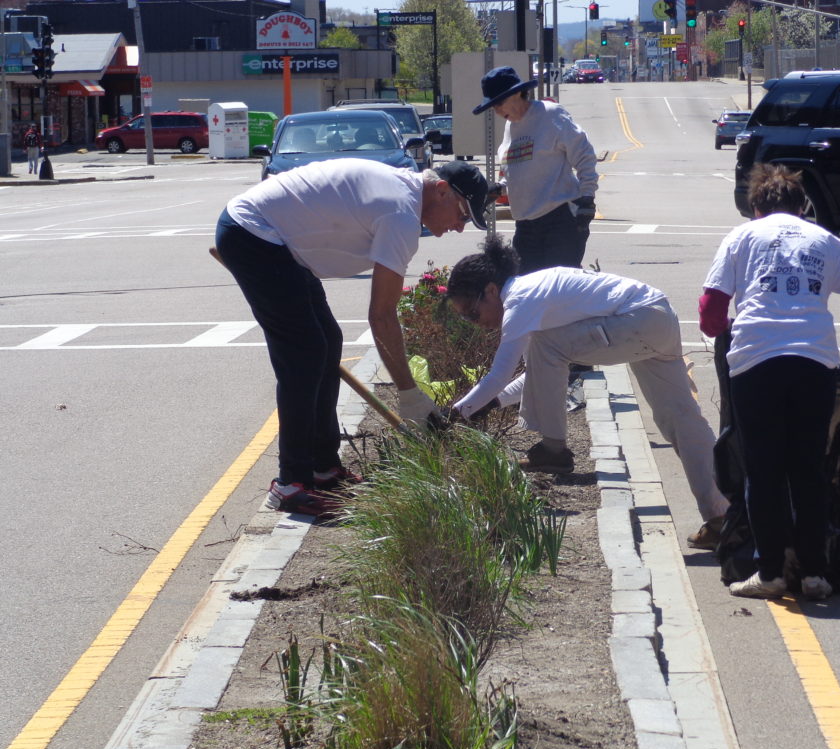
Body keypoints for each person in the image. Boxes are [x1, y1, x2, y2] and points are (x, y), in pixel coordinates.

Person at [215, 158, 492, 516]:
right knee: (304, 352)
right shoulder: (401, 215)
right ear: (441, 191)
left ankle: (323, 468)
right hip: (254, 233)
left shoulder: (404, 198)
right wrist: (409, 394)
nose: (459, 227)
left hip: (275, 240)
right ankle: (290, 483)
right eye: (462, 214)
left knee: (326, 341)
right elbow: (380, 315)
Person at [447, 235, 729, 527]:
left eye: (471, 313)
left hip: (638, 319)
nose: (474, 323)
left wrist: (454, 415)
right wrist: (490, 403)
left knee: (548, 345)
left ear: (491, 291)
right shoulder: (535, 296)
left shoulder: (520, 299)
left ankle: (554, 450)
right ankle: (722, 516)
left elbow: (500, 373)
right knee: (682, 420)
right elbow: (536, 377)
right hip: (657, 315)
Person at [699, 163, 840, 600]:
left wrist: (730, 321)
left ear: (755, 208)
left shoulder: (741, 238)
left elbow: (710, 313)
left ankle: (770, 574)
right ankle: (816, 574)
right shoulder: (825, 241)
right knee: (808, 469)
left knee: (763, 471)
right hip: (813, 361)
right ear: (802, 206)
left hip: (756, 361)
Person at [472, 66, 598, 274]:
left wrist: (587, 198)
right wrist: (499, 189)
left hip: (559, 220)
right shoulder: (510, 127)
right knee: (527, 290)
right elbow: (519, 171)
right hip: (525, 225)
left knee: (558, 288)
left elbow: (584, 156)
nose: (496, 111)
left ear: (515, 94)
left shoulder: (550, 115)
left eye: (498, 103)